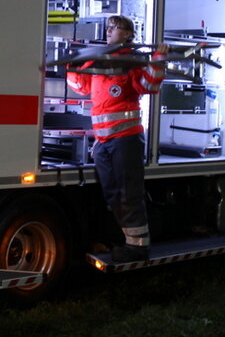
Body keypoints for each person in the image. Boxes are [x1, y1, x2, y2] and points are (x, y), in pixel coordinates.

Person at [67, 16, 167, 262]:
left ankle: (138, 247)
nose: (110, 30)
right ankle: (128, 239)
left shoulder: (131, 62)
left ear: (128, 34)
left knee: (128, 193)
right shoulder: (99, 59)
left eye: (116, 27)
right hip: (103, 142)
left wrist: (159, 60)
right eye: (109, 27)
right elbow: (80, 86)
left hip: (126, 140)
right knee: (113, 193)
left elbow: (148, 86)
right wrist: (71, 65)